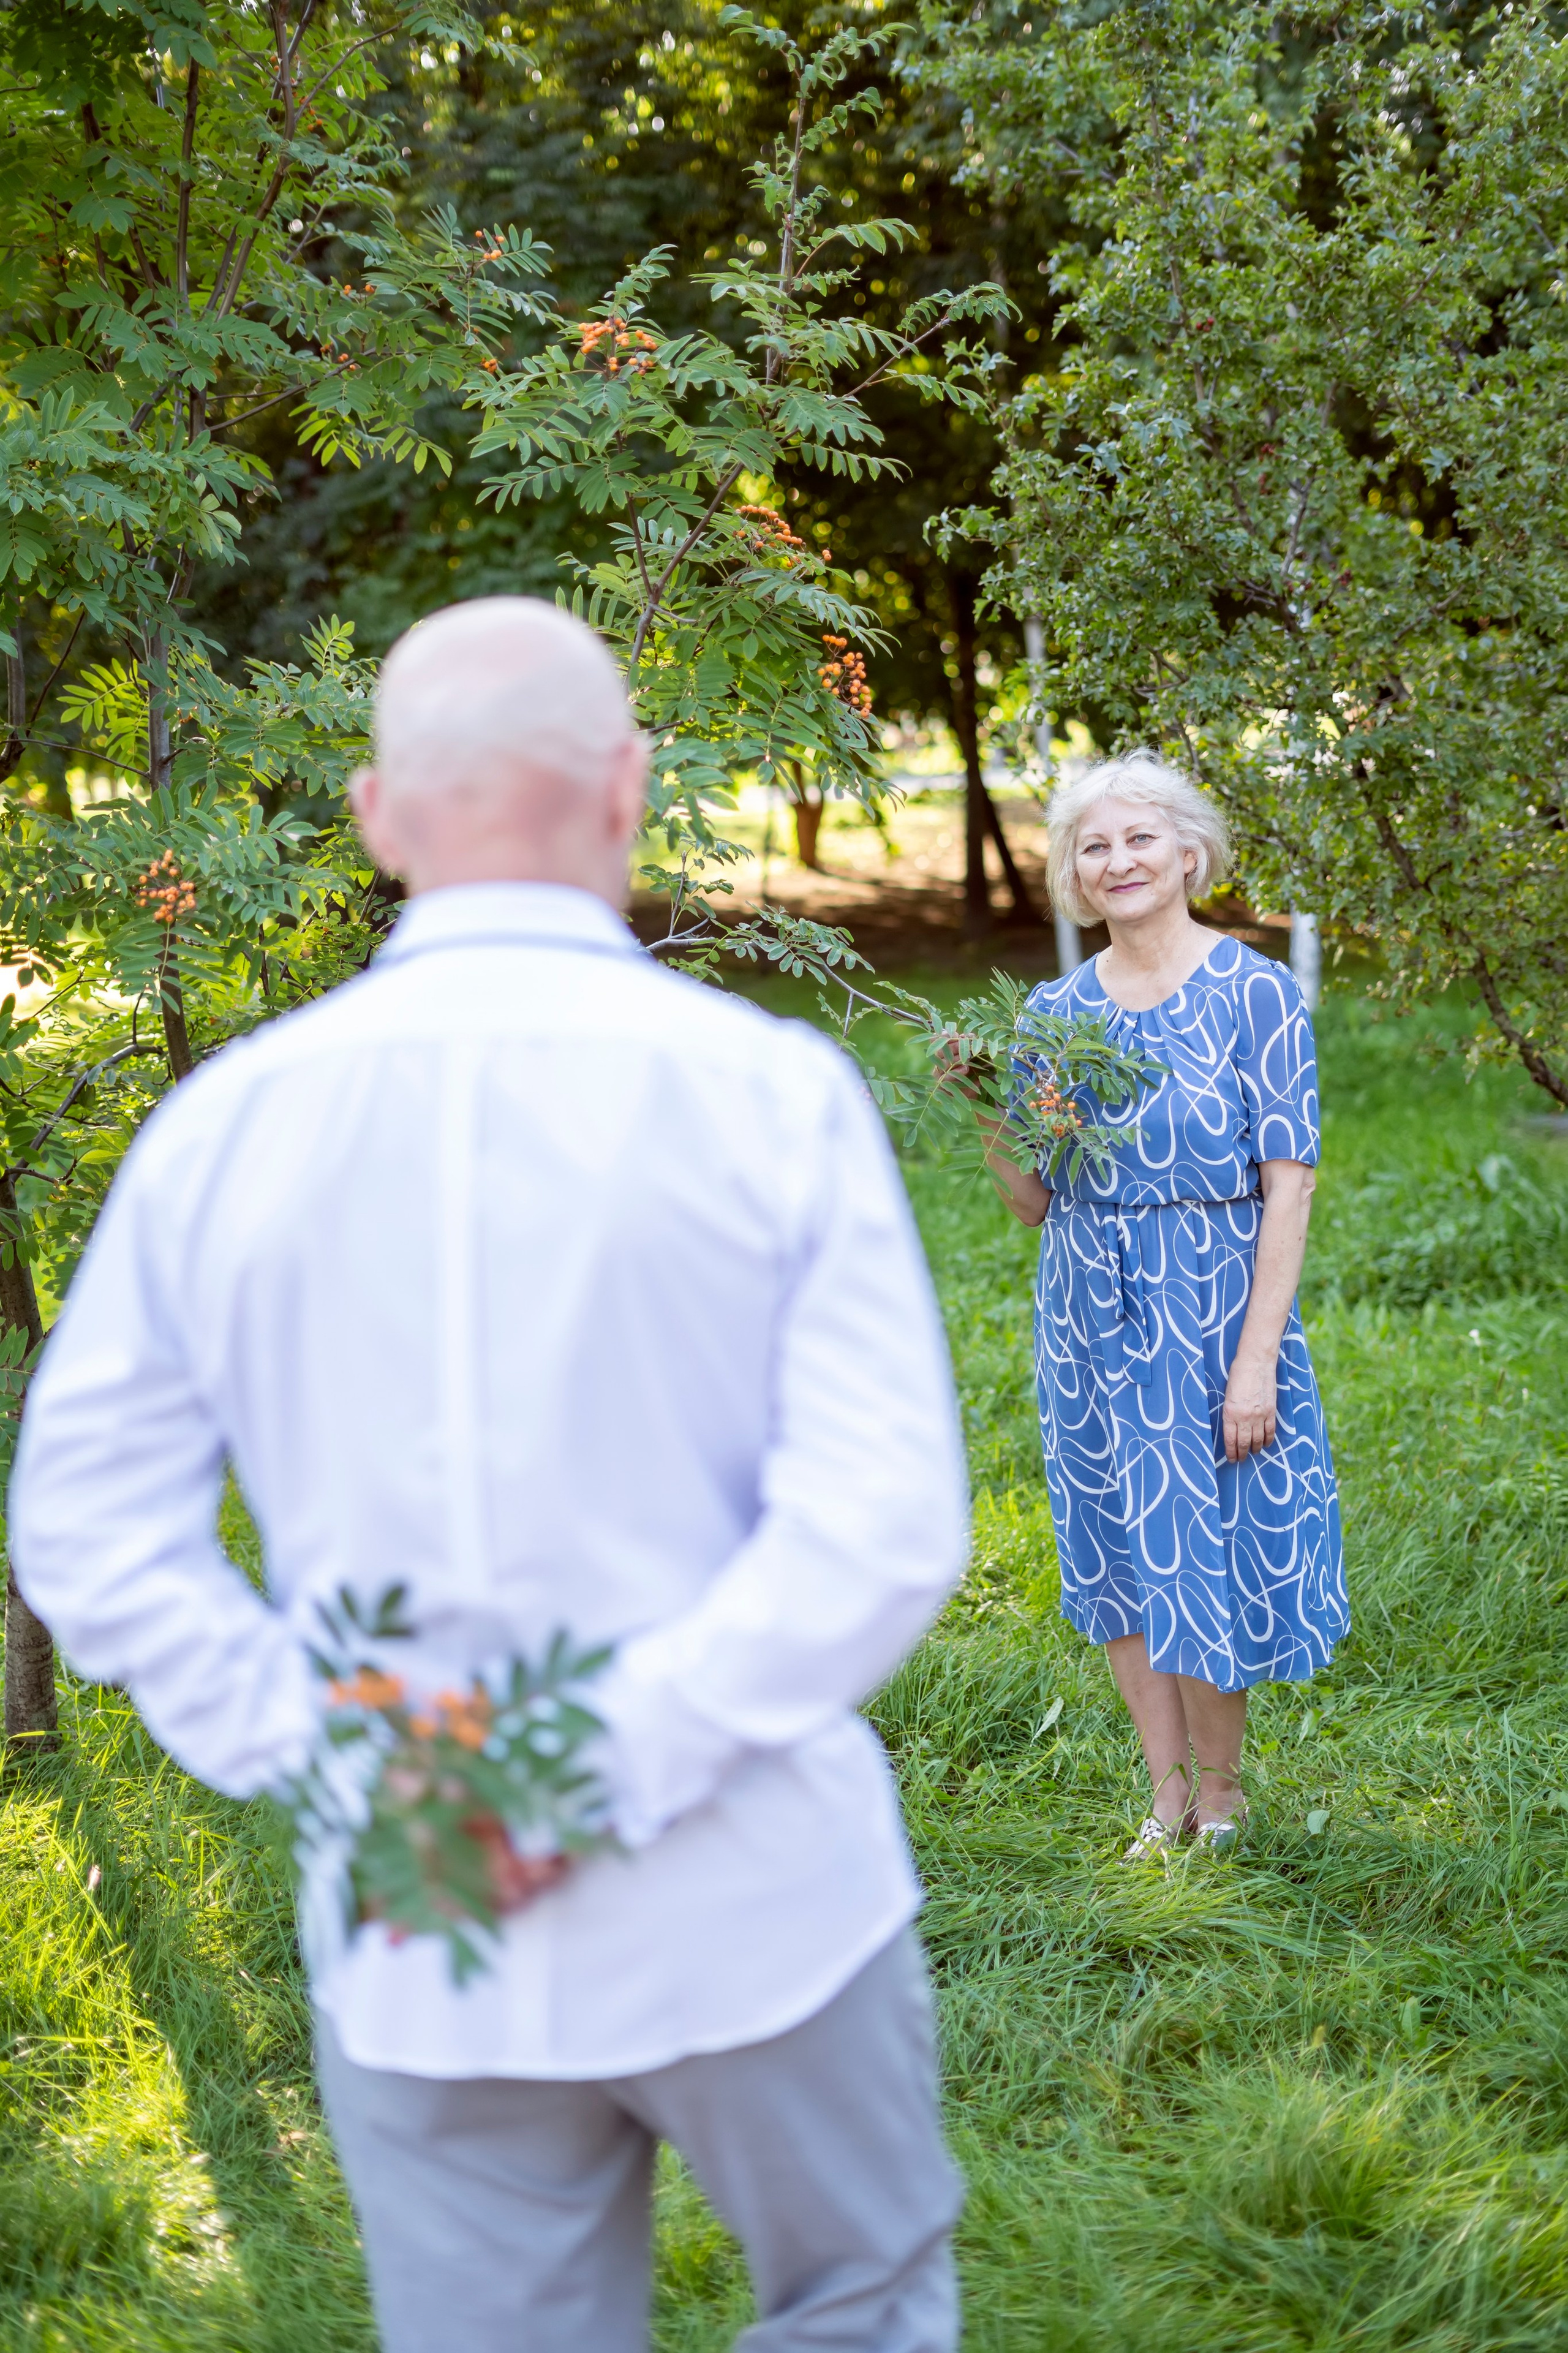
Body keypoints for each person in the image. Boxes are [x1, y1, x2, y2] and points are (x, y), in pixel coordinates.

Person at [9, 597, 970, 2352]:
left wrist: (354, 1765)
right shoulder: (767, 1095)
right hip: (754, 1895)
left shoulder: (227, 1129)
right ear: (629, 788)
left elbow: (85, 1525)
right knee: (860, 2302)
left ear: (377, 816)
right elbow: (882, 1525)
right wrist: (585, 1771)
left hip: (420, 1920)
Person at [978, 750, 1346, 1859]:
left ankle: (1223, 1801)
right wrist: (990, 1107)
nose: (1119, 860)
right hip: (1087, 1310)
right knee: (1117, 1551)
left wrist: (1256, 1358)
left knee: (1204, 1547)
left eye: (1140, 837)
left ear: (1190, 852)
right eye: (1094, 845)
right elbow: (1033, 1201)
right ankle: (1166, 1795)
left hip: (1211, 1306)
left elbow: (1290, 1185)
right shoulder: (1053, 1014)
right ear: (1073, 875)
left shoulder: (1255, 993)